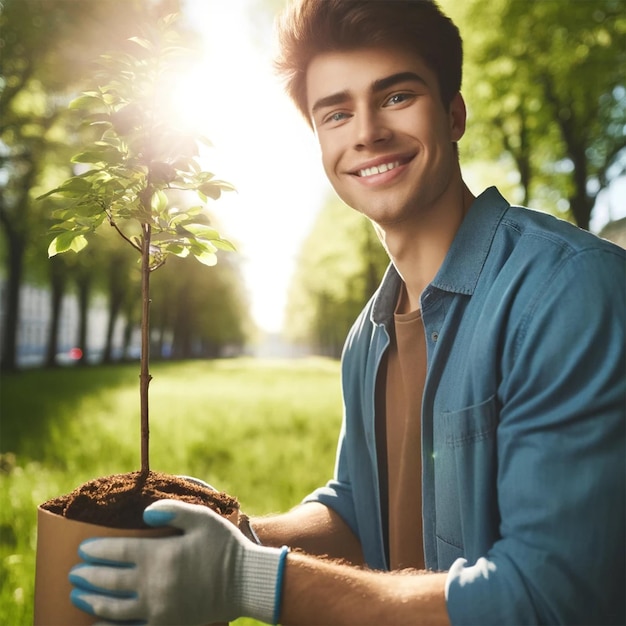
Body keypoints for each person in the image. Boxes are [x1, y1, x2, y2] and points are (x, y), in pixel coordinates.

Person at [68, 1, 625, 624]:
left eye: (395, 98)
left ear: (453, 113)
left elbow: (551, 599)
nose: (366, 132)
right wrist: (229, 538)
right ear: (320, 141)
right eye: (336, 112)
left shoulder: (567, 290)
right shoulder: (370, 333)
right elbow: (358, 513)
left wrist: (247, 579)